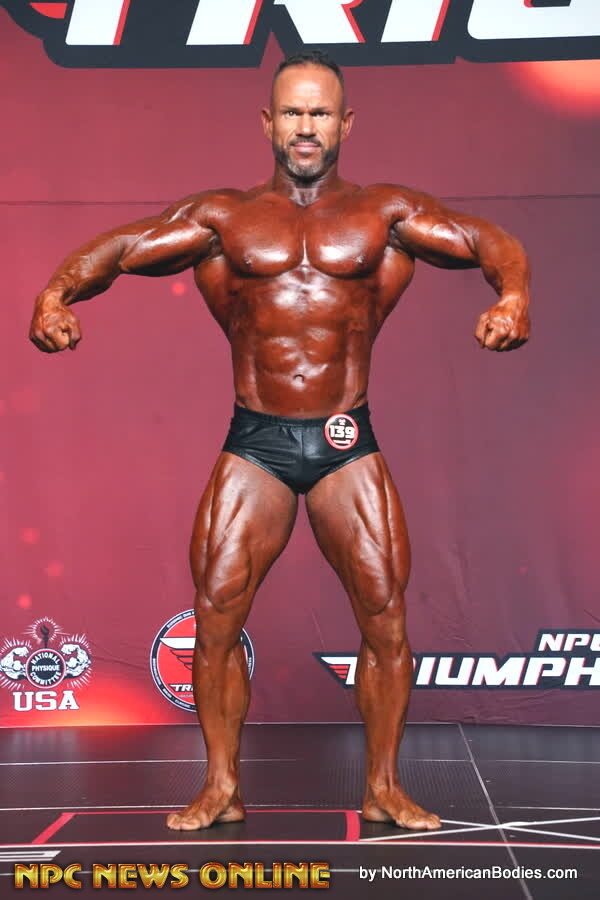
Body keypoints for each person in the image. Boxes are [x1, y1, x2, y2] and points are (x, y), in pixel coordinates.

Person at [29, 50, 530, 832]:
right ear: (268, 122)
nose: (306, 126)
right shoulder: (222, 218)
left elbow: (481, 237)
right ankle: (220, 785)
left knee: (385, 618)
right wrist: (56, 294)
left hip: (345, 439)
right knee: (216, 614)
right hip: (256, 440)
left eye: (320, 112)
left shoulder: (384, 213)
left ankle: (384, 786)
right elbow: (123, 249)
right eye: (293, 111)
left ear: (345, 124)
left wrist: (514, 295)